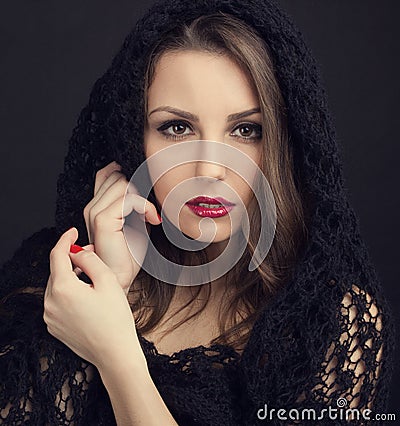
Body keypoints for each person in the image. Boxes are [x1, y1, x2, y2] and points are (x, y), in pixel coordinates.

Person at [0, 0, 396, 425]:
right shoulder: (54, 284)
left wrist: (116, 357)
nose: (209, 168)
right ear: (133, 139)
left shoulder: (333, 321)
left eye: (246, 130)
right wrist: (108, 286)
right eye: (177, 128)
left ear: (282, 145)